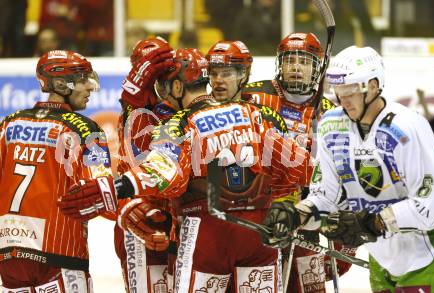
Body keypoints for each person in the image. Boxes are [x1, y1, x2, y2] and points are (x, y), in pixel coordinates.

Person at [62, 47, 310, 293]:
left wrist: (115, 186)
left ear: (178, 88)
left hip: (207, 229)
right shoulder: (256, 114)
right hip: (260, 232)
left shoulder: (178, 123)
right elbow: (300, 166)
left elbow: (163, 172)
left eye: (165, 86)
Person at [263, 46, 434, 292]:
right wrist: (297, 215)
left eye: (352, 90)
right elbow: (327, 196)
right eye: (339, 90)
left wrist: (374, 221)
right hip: (382, 258)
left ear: (375, 85)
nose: (343, 98)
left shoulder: (407, 128)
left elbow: (430, 205)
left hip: (429, 256)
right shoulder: (331, 125)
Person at [242, 32, 354, 293]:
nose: (295, 67)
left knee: (310, 287)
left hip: (306, 218)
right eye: (290, 60)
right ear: (279, 64)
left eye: (304, 62)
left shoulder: (330, 112)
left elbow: (342, 175)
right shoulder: (253, 97)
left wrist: (341, 242)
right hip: (258, 216)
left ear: (317, 68)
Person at [0, 50, 116, 292]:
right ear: (62, 84)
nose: (91, 87)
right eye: (84, 79)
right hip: (60, 254)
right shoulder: (85, 129)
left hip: (9, 255)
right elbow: (101, 193)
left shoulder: (9, 123)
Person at [114, 36, 176, 293]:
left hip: (175, 218)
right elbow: (137, 157)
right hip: (140, 216)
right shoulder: (133, 113)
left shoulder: (181, 110)